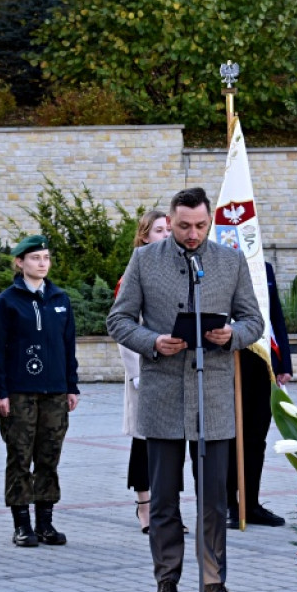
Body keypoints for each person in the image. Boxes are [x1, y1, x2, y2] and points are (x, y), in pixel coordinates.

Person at [107, 187, 264, 592]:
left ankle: (214, 582)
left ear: (209, 221)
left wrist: (234, 335)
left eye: (200, 225)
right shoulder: (144, 260)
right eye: (183, 226)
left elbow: (255, 320)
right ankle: (166, 583)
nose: (192, 234)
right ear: (170, 221)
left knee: (215, 498)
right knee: (163, 499)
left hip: (212, 395)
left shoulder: (229, 262)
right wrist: (153, 341)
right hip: (162, 395)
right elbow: (118, 320)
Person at [0, 235, 79, 548]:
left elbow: (68, 346)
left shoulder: (60, 299)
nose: (42, 263)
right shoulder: (7, 302)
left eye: (46, 258)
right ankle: (22, 524)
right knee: (20, 457)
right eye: (35, 258)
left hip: (54, 392)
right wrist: (1, 391)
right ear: (20, 262)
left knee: (49, 456)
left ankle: (45, 522)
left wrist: (71, 386)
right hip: (19, 392)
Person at [226, 262, 292, 529]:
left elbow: (274, 313)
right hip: (228, 362)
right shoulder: (215, 261)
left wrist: (283, 362)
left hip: (262, 363)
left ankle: (251, 503)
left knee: (256, 437)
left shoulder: (263, 266)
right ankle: (230, 505)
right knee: (230, 438)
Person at [118, 210, 171, 533]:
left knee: (171, 446)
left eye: (168, 229)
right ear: (144, 235)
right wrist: (136, 370)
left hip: (174, 372)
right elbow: (123, 326)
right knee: (145, 443)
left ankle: (168, 509)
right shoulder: (134, 273)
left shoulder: (177, 270)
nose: (165, 234)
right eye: (159, 230)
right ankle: (145, 507)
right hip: (145, 369)